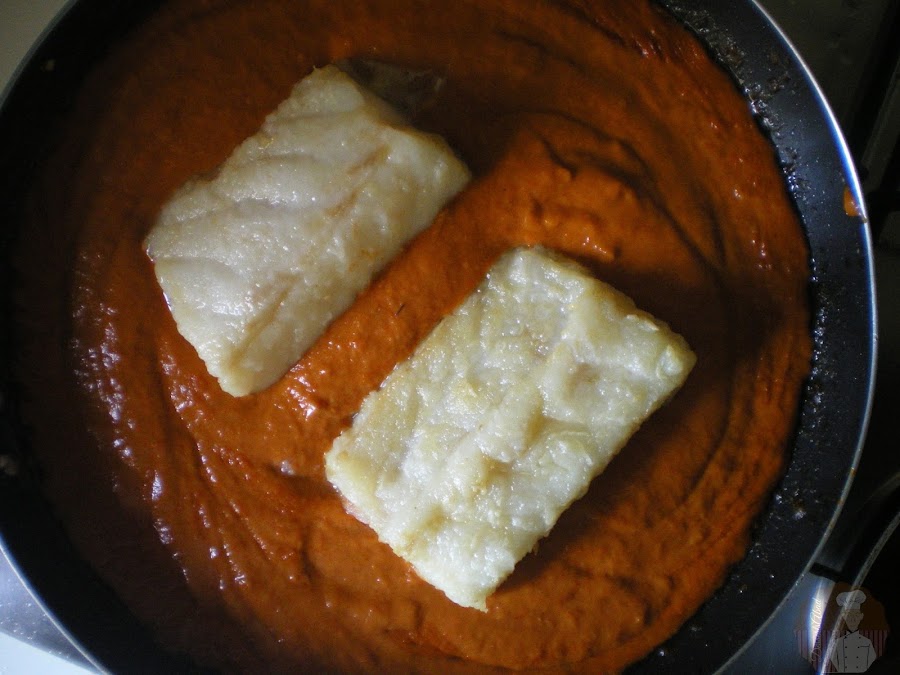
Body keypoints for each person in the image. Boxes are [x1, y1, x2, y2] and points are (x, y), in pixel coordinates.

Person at [829, 589, 877, 673]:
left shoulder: (867, 643)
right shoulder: (836, 644)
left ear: (861, 616)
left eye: (856, 615)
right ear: (844, 617)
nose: (853, 619)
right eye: (849, 615)